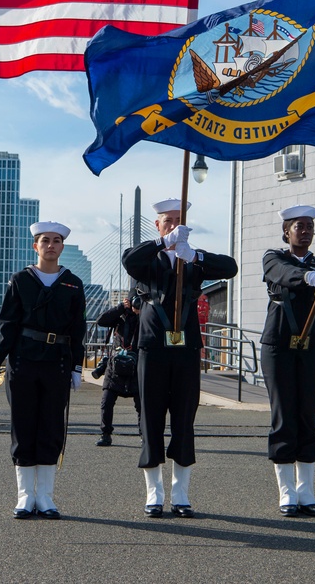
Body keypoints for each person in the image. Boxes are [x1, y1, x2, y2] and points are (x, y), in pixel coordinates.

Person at [122, 198, 238, 519]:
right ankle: (154, 493)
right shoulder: (148, 258)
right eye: (167, 221)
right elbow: (128, 261)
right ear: (157, 226)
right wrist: (164, 244)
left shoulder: (194, 259)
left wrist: (195, 255)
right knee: (151, 418)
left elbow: (230, 267)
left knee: (184, 418)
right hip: (152, 346)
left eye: (178, 220)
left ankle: (181, 493)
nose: (173, 225)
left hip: (185, 348)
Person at [0, 221, 86, 520]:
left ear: (62, 247)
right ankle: (25, 497)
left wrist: (78, 366)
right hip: (23, 360)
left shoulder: (73, 283)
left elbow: (78, 329)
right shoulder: (20, 280)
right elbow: (8, 324)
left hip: (58, 362)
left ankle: (46, 497)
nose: (50, 245)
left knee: (51, 427)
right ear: (35, 246)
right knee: (23, 425)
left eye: (55, 241)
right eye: (44, 240)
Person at [260, 205, 315, 518]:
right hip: (279, 344)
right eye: (299, 225)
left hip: (312, 346)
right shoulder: (274, 258)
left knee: (308, 415)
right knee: (284, 415)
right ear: (287, 232)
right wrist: (310, 278)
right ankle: (286, 493)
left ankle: (306, 491)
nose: (306, 230)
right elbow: (283, 274)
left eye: (310, 225)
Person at [92, 289, 142, 447]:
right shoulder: (121, 315)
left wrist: (141, 313)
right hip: (115, 366)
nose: (135, 303)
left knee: (142, 405)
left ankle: (145, 436)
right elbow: (101, 321)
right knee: (106, 402)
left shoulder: (145, 317)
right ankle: (105, 434)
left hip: (137, 367)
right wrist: (121, 307)